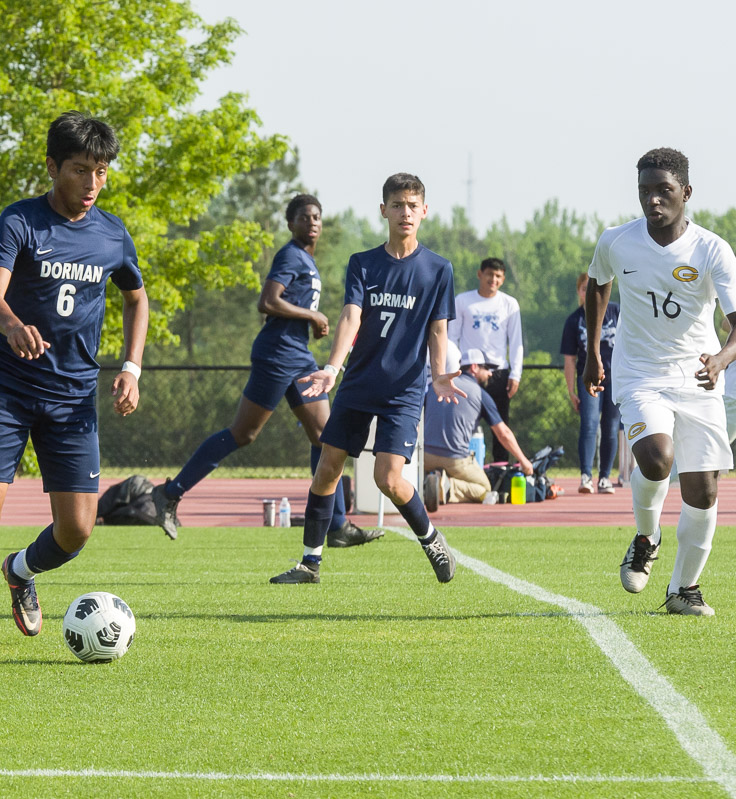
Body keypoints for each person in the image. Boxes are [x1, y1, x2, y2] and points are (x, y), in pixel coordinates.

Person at [0, 113, 149, 651]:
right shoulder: (20, 222)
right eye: (80, 170)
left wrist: (131, 367)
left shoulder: (112, 234)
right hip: (9, 388)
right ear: (52, 167)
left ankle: (20, 569)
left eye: (101, 172)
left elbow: (135, 297)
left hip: (74, 398)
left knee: (78, 530)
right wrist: (12, 325)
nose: (92, 184)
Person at [149, 194, 381, 548]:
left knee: (327, 435)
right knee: (243, 434)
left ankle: (335, 526)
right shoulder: (290, 254)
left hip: (298, 356)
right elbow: (268, 301)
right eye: (304, 217)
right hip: (276, 355)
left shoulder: (306, 259)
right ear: (291, 224)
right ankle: (170, 492)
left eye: (317, 217)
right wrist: (313, 316)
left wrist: (309, 321)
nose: (313, 222)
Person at [269, 173, 465, 585]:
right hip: (358, 384)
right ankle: (309, 564)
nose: (405, 213)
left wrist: (440, 375)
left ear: (424, 211)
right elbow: (350, 317)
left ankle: (430, 537)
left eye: (412, 205)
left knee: (388, 479)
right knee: (327, 468)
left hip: (403, 392)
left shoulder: (438, 269)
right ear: (384, 211)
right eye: (397, 205)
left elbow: (438, 330)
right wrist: (332, 368)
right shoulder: (363, 262)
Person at [586, 147, 736, 617]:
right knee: (655, 458)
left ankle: (683, 591)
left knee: (703, 490)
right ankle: (646, 536)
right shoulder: (616, 240)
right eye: (645, 191)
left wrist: (722, 360)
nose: (653, 200)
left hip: (698, 377)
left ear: (685, 193)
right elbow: (596, 284)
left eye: (663, 190)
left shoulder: (712, 249)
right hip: (639, 373)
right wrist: (592, 351)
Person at [422, 348, 533, 510]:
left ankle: (423, 483)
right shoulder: (481, 394)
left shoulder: (435, 386)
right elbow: (503, 433)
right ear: (474, 367)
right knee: (484, 489)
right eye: (486, 368)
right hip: (456, 459)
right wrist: (523, 461)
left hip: (426, 456)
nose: (489, 374)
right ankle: (446, 487)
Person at [449, 258, 524, 464]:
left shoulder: (509, 304)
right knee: (463, 423)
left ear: (503, 279)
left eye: (498, 276)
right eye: (490, 274)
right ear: (479, 274)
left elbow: (516, 341)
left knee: (500, 426)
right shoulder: (463, 301)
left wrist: (515, 374)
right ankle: (460, 466)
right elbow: (451, 337)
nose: (493, 279)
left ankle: (500, 472)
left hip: (498, 373)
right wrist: (452, 368)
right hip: (467, 373)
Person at [561, 272, 621, 494]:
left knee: (611, 427)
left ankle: (605, 477)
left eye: (594, 288)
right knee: (589, 424)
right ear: (579, 291)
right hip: (588, 379)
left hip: (615, 378)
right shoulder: (574, 320)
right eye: (585, 288)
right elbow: (569, 360)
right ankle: (586, 475)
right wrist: (571, 391)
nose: (589, 293)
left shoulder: (616, 312)